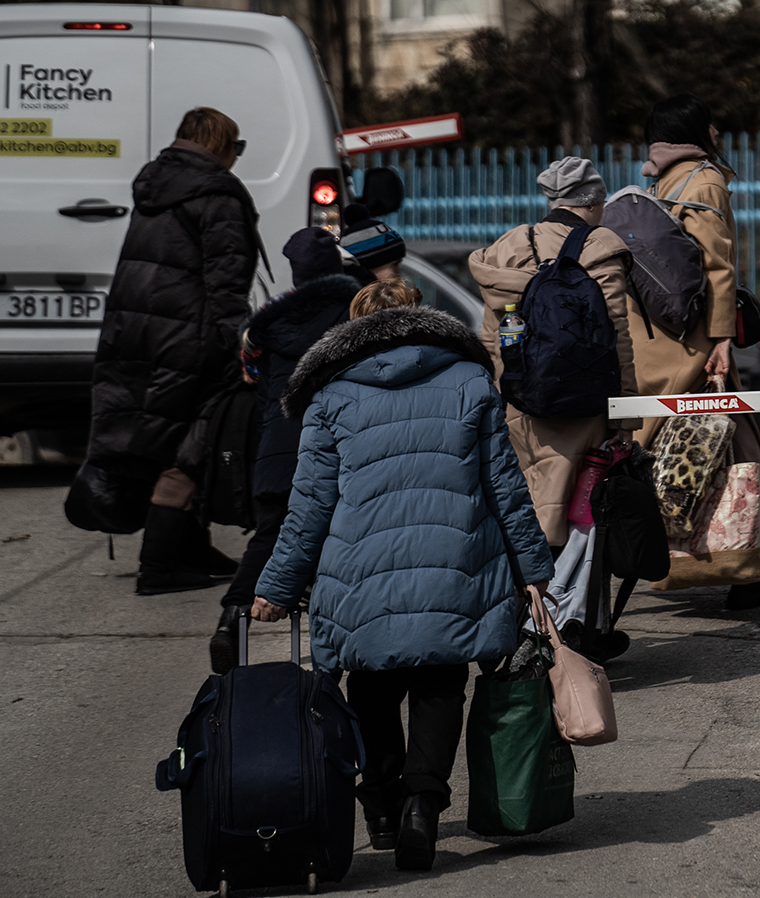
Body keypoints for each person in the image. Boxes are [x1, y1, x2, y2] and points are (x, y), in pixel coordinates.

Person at [252, 282, 554, 874]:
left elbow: (310, 503)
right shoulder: (469, 382)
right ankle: (423, 806)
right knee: (441, 684)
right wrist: (533, 570)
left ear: (350, 330)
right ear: (422, 319)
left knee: (371, 688)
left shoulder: (331, 396)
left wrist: (276, 586)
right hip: (455, 565)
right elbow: (506, 488)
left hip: (359, 574)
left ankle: (382, 809)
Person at [67, 106, 261, 595]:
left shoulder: (155, 185)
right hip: (188, 337)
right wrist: (232, 347)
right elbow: (226, 279)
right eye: (235, 148)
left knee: (157, 436)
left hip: (136, 332)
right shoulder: (217, 193)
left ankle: (189, 549)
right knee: (196, 442)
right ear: (220, 145)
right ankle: (160, 565)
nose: (235, 158)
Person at [630, 94, 760, 609]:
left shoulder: (657, 183)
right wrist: (723, 337)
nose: (719, 130)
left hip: (656, 340)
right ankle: (742, 571)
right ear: (696, 131)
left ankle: (671, 559)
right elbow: (716, 266)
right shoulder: (705, 180)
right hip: (697, 340)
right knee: (734, 449)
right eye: (711, 124)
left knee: (665, 446)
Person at [208, 227, 368, 673]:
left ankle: (232, 619)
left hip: (277, 448)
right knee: (340, 540)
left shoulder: (268, 327)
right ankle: (332, 642)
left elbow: (257, 392)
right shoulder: (352, 311)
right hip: (333, 444)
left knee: (271, 534)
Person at [467, 157, 639, 550]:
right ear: (596, 203)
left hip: (518, 399)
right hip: (582, 402)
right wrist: (625, 414)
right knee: (571, 517)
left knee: (523, 507)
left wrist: (502, 399)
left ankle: (524, 597)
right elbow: (618, 339)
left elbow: (492, 339)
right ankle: (557, 603)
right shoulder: (599, 246)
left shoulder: (507, 246)